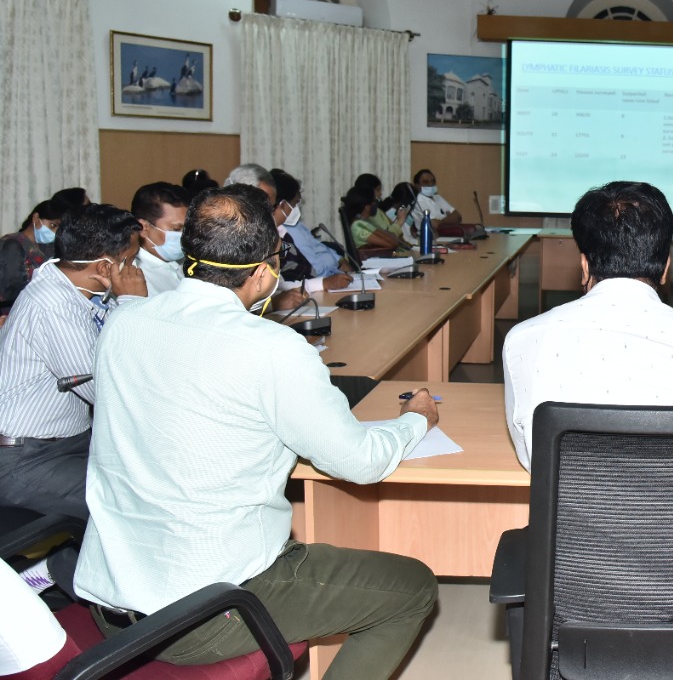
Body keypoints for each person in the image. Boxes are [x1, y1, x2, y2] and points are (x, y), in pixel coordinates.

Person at [74, 185, 440, 679]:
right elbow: (360, 462)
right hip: (203, 613)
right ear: (267, 272)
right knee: (412, 588)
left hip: (111, 602)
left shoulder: (124, 321)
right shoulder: (272, 349)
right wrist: (415, 419)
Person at [503, 181, 673, 471]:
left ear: (584, 267)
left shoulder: (523, 339)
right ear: (666, 270)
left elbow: (529, 457)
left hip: (570, 515)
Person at [0, 204, 146, 519]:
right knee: (129, 507)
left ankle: (64, 565)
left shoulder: (81, 289)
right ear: (106, 267)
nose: (136, 270)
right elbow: (107, 391)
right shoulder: (52, 304)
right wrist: (133, 305)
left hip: (71, 442)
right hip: (28, 458)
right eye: (131, 260)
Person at [269, 169, 352, 294]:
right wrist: (323, 283)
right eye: (294, 204)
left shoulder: (286, 231)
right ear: (282, 204)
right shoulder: (275, 237)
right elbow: (279, 287)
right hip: (313, 288)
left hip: (317, 285)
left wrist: (339, 260)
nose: (295, 209)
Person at [0, 200, 66, 316]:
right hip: (15, 313)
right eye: (53, 225)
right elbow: (10, 290)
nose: (55, 232)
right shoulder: (12, 244)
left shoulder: (48, 248)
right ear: (36, 218)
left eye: (59, 229)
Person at [130, 182, 189, 295]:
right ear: (144, 228)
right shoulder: (136, 277)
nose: (184, 235)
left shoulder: (186, 262)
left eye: (187, 228)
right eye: (176, 229)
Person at [341, 186, 402, 251]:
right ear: (367, 207)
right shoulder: (359, 225)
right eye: (374, 202)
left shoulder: (365, 221)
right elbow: (393, 243)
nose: (376, 205)